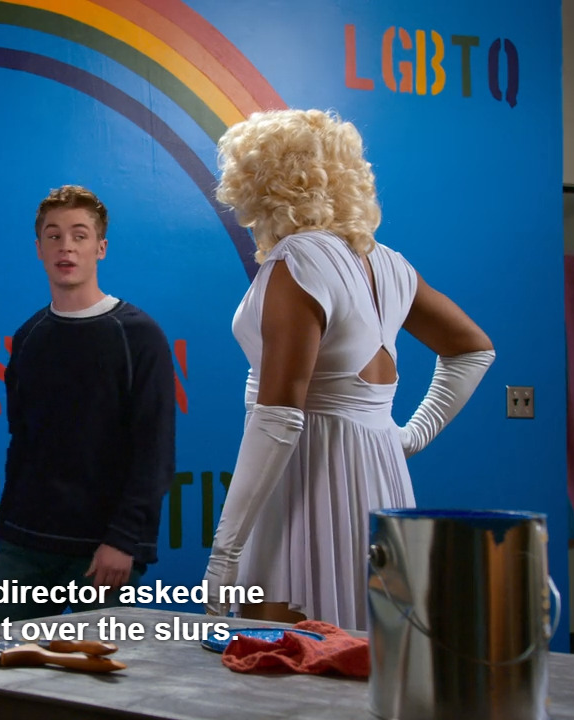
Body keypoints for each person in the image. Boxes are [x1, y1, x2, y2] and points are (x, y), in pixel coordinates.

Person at [201, 109, 495, 630]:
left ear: (260, 182)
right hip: (382, 479)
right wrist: (409, 437)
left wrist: (226, 552)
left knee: (290, 659)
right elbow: (473, 349)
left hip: (306, 479)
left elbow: (278, 418)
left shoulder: (298, 259)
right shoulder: (389, 263)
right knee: (378, 649)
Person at [0, 184, 176, 623]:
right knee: (2, 660)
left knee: (99, 665)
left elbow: (155, 450)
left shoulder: (138, 336)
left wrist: (124, 540)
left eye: (79, 235)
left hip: (104, 549)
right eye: (53, 235)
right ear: (39, 249)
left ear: (100, 248)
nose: (65, 246)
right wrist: (2, 537)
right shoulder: (29, 337)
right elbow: (22, 445)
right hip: (25, 545)